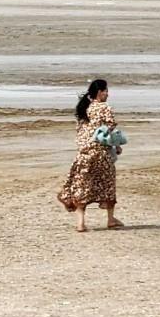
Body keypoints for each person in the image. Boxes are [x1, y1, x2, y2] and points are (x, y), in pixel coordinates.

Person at [58, 77, 124, 231]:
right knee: (107, 184)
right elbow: (110, 127)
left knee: (83, 186)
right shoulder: (104, 107)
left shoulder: (84, 108)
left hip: (84, 153)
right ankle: (110, 219)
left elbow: (80, 131)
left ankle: (80, 223)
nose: (108, 94)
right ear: (100, 92)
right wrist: (117, 145)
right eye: (106, 91)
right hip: (101, 153)